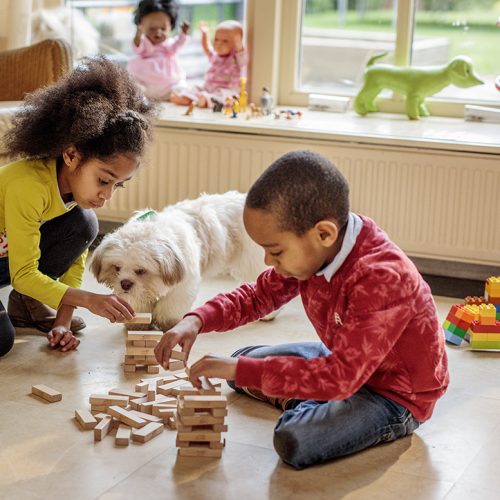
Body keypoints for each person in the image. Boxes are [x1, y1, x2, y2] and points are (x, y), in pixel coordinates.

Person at [154, 150, 450, 469]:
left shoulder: (382, 278)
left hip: (392, 394)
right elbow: (258, 296)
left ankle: (311, 397)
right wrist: (197, 320)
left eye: (275, 251)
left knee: (294, 438)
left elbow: (342, 378)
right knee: (242, 364)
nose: (268, 261)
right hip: (343, 360)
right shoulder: (316, 252)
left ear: (324, 233)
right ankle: (310, 390)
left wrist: (246, 371)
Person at [0, 57, 156, 358]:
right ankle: (27, 301)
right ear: (72, 154)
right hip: (11, 265)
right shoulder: (28, 185)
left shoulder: (73, 198)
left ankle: (25, 306)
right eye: (103, 180)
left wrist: (63, 322)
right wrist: (89, 300)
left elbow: (72, 262)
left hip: (5, 258)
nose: (107, 195)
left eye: (117, 185)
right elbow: (23, 274)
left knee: (86, 224)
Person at [171, 20, 247, 108]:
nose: (218, 44)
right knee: (196, 88)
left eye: (225, 41)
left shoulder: (235, 58)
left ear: (236, 43)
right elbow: (206, 47)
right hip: (208, 87)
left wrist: (239, 46)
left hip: (224, 89)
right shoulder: (215, 56)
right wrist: (205, 34)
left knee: (226, 96)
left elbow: (242, 57)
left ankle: (205, 101)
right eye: (216, 39)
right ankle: (186, 98)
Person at [127, 0, 190, 100]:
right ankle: (142, 99)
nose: (158, 32)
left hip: (168, 80)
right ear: (141, 26)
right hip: (146, 78)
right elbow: (137, 47)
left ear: (171, 27)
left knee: (180, 86)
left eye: (163, 28)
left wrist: (183, 33)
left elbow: (178, 44)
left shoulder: (169, 45)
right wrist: (138, 34)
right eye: (152, 28)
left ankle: (175, 97)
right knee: (134, 86)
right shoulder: (144, 43)